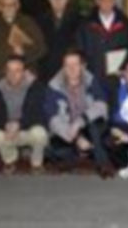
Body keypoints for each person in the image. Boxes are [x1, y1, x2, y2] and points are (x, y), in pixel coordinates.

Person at [44, 50, 114, 178]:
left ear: (83, 66)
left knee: (97, 126)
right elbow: (52, 118)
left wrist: (80, 121)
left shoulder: (92, 80)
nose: (71, 68)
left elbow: (102, 106)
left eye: (75, 64)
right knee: (54, 149)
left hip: (88, 126)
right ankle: (83, 153)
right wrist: (76, 137)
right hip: (68, 130)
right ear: (63, 67)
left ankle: (103, 164)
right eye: (67, 65)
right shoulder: (53, 86)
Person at [0, 56, 49, 174]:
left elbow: (39, 115)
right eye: (9, 70)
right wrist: (5, 125)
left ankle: (36, 164)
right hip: (7, 131)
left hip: (26, 129)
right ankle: (10, 161)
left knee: (40, 133)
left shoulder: (33, 87)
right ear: (5, 72)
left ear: (24, 72)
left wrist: (19, 124)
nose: (13, 74)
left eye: (17, 70)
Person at [0, 0, 47, 78]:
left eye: (12, 5)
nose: (8, 8)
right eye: (4, 5)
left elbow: (42, 48)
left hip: (25, 73)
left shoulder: (28, 23)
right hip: (2, 76)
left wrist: (24, 52)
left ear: (18, 6)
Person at [77, 0, 128, 80]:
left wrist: (125, 66)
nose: (107, 3)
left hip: (117, 74)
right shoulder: (86, 24)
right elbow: (80, 47)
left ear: (114, 1)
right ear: (97, 1)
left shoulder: (125, 24)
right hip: (93, 74)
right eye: (103, 0)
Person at [37, 0, 82, 81]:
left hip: (69, 69)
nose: (58, 1)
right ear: (49, 0)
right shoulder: (40, 21)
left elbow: (80, 45)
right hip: (47, 70)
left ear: (67, 0)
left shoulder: (78, 21)